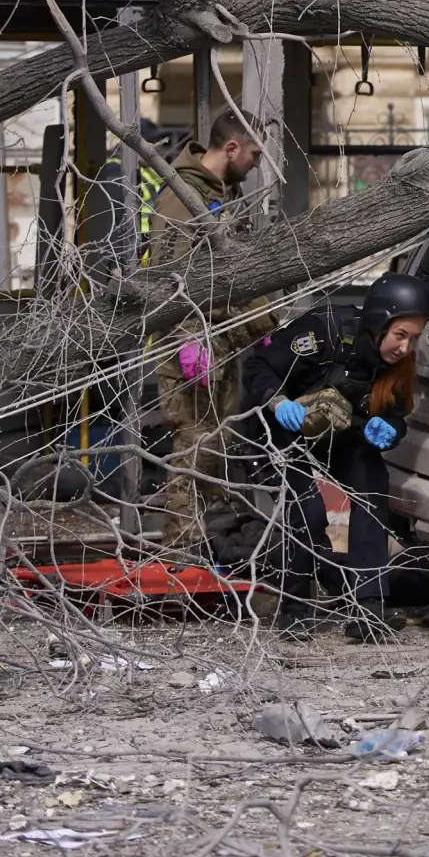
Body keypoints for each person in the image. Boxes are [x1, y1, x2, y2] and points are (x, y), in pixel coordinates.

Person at [242, 272, 429, 642]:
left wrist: (391, 429)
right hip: (285, 434)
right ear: (379, 324)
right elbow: (258, 367)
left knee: (371, 490)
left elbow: (397, 411)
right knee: (309, 510)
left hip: (342, 437)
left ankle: (368, 611)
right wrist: (278, 402)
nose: (405, 347)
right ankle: (294, 611)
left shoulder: (396, 364)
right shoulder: (324, 332)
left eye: (414, 338)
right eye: (400, 335)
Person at [149, 109, 281, 549]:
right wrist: (188, 340)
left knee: (214, 452)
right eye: (255, 154)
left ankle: (207, 550)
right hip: (189, 349)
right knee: (193, 455)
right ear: (231, 147)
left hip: (224, 344)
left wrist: (260, 317)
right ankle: (181, 557)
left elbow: (236, 270)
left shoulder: (227, 194)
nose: (257, 164)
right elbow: (170, 279)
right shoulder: (182, 197)